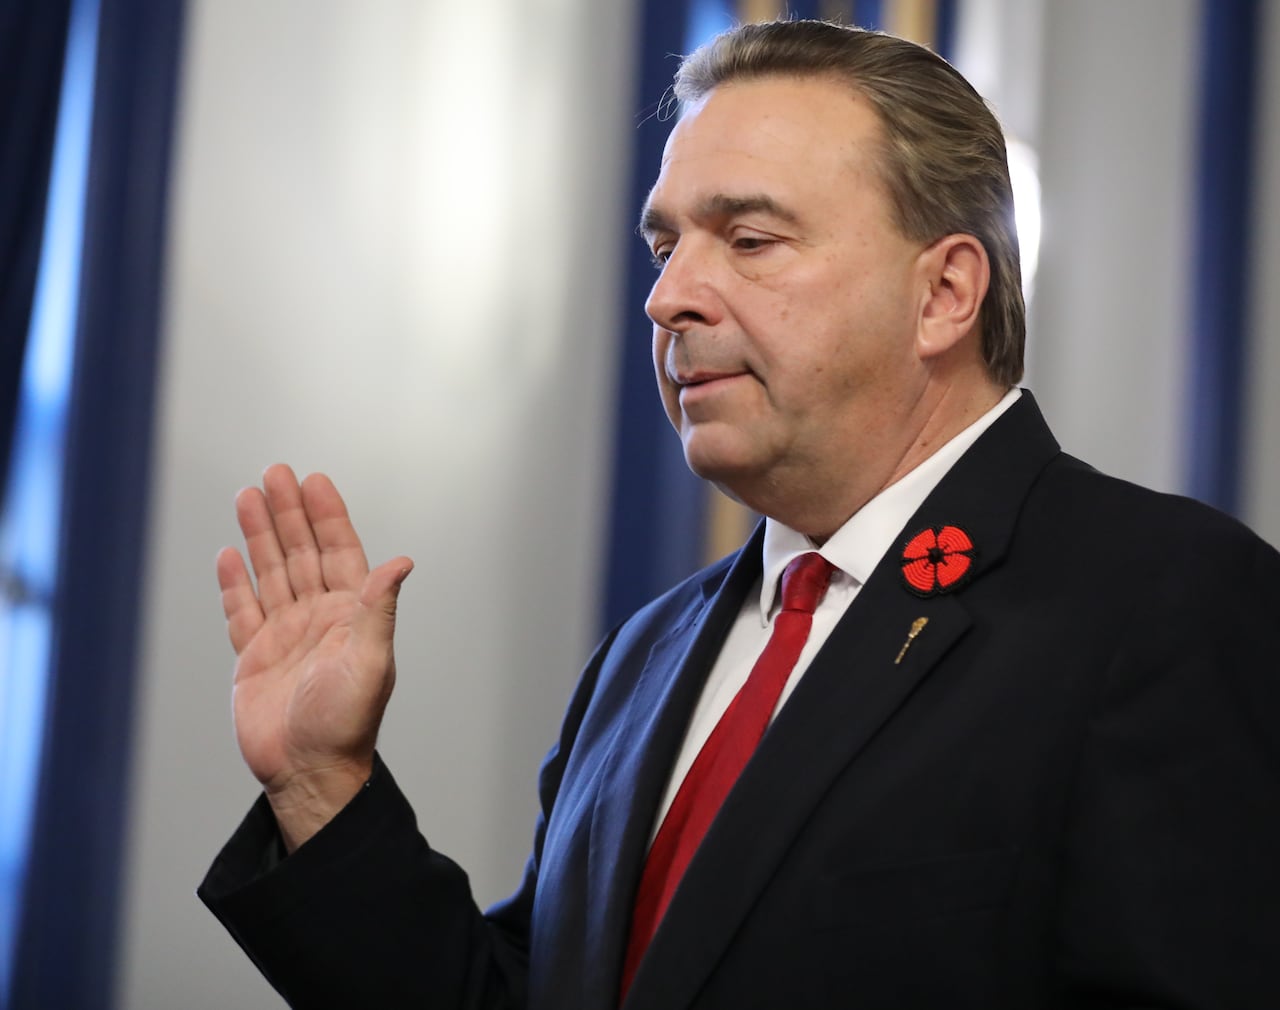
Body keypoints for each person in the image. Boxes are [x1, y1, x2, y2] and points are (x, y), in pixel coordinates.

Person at [199, 20, 1280, 1010]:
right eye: (664, 246)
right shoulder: (645, 653)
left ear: (944, 293)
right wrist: (321, 784)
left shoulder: (1161, 602)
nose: (667, 296)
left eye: (749, 239)